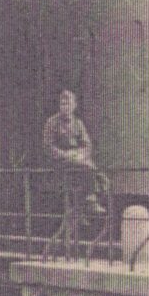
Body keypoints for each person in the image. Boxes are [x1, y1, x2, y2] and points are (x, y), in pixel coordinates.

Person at [38, 88, 108, 231]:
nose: (65, 107)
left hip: (77, 161)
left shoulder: (78, 123)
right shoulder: (52, 122)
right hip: (59, 162)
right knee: (90, 169)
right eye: (62, 104)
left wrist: (80, 154)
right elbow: (48, 146)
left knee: (99, 175)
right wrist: (65, 155)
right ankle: (90, 200)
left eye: (68, 104)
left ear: (74, 106)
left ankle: (81, 210)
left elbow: (87, 144)